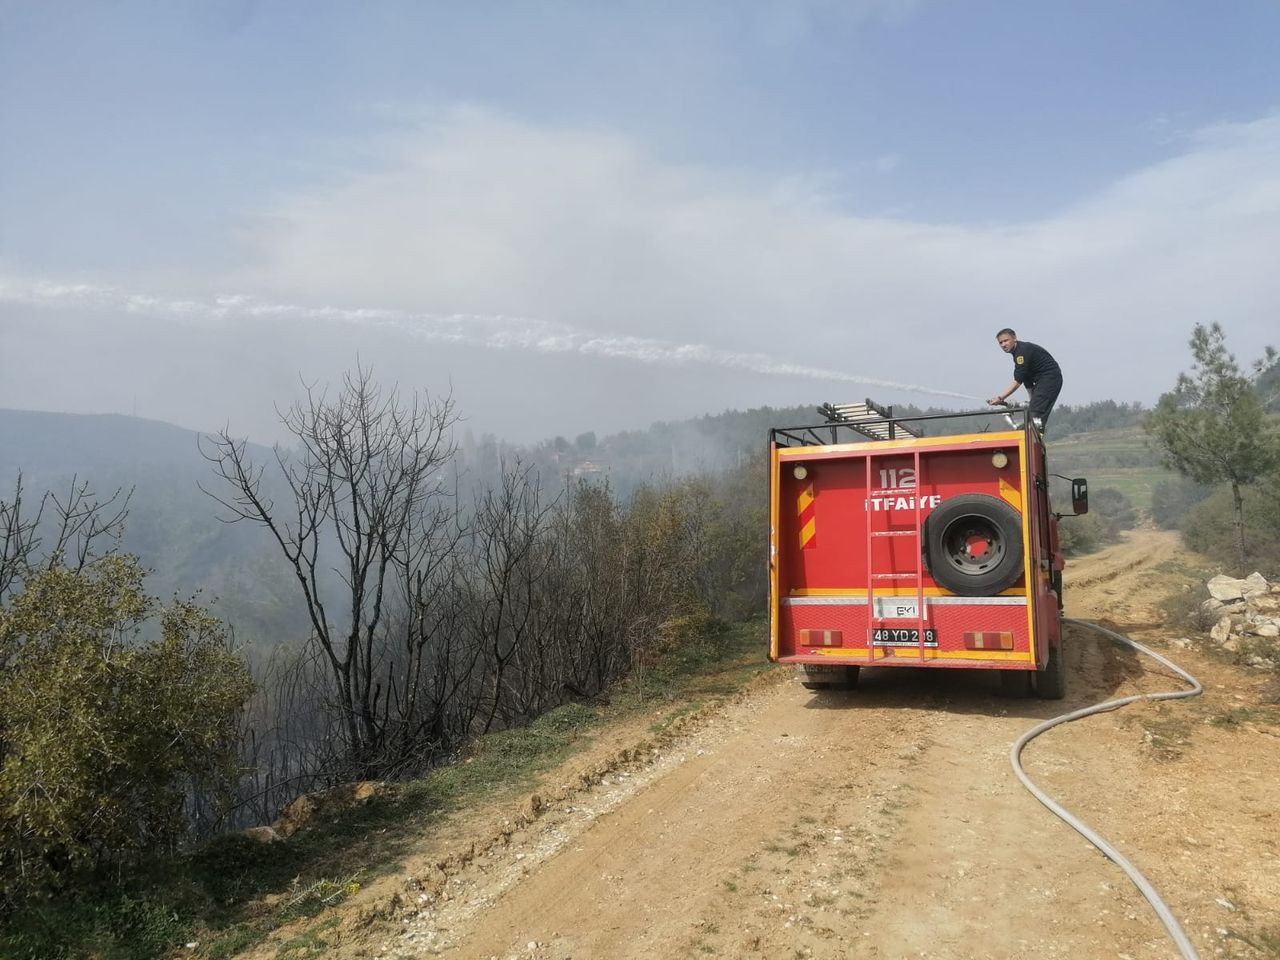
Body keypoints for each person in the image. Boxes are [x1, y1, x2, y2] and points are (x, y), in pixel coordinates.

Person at [988, 328, 1062, 429]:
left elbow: (1017, 382)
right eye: (1000, 342)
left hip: (1049, 378)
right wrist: (1032, 400)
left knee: (1036, 414)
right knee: (1034, 411)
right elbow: (1027, 381)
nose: (1003, 345)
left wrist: (1000, 398)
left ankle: (1034, 436)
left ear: (1014, 338)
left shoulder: (1021, 352)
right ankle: (1034, 434)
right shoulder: (1017, 355)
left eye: (1006, 340)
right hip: (1043, 380)